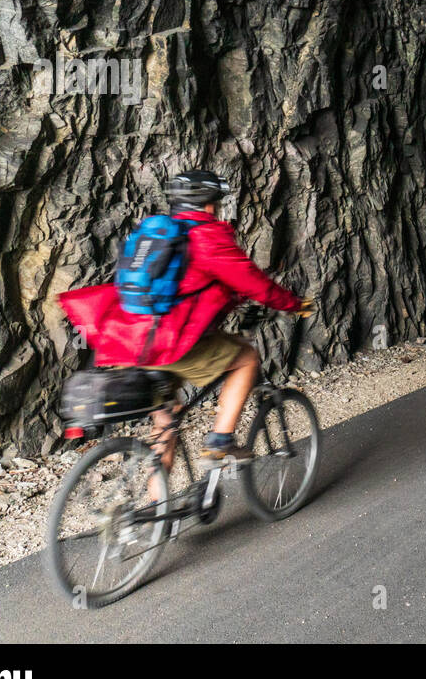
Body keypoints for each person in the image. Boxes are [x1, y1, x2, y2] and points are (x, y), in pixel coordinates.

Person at [60, 170, 311, 466]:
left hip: (128, 341)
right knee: (246, 358)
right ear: (209, 205)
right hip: (168, 343)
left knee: (166, 424)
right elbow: (253, 282)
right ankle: (221, 442)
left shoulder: (151, 234)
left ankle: (156, 508)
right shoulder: (206, 236)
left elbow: (184, 285)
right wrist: (294, 304)